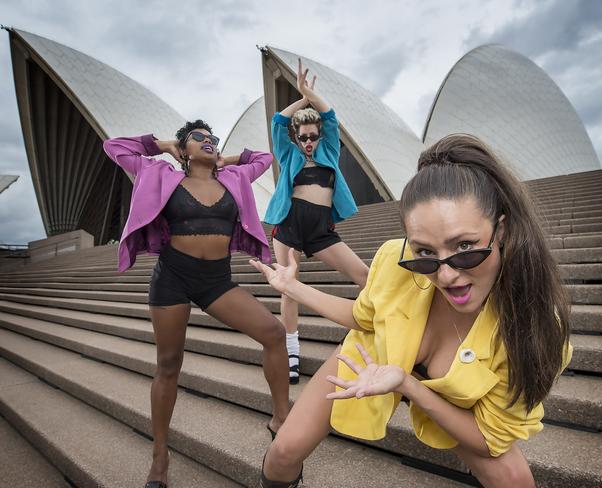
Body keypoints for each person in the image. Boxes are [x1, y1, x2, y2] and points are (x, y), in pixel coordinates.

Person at [251, 134, 573, 488]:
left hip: (439, 396)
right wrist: (292, 287)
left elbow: (490, 438)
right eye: (424, 252)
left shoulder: (534, 327)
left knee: (516, 481)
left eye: (465, 246)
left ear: (502, 229)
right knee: (284, 451)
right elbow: (364, 318)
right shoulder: (395, 259)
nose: (447, 275)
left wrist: (408, 384)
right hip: (371, 357)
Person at [103, 122, 290, 488]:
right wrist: (161, 144)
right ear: (184, 148)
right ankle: (160, 456)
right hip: (173, 275)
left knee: (274, 333)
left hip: (216, 280)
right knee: (169, 364)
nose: (209, 142)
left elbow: (265, 157)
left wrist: (228, 157)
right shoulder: (159, 173)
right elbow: (114, 146)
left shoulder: (234, 177)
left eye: (213, 138)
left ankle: (281, 417)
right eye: (199, 138)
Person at [264, 58, 369, 384]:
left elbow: (331, 118)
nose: (308, 142)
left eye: (312, 136)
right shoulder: (289, 154)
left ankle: (374, 329)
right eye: (303, 137)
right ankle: (291, 351)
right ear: (296, 138)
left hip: (322, 230)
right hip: (290, 227)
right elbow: (278, 122)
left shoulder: (328, 151)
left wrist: (314, 95)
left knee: (365, 274)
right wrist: (302, 99)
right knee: (289, 288)